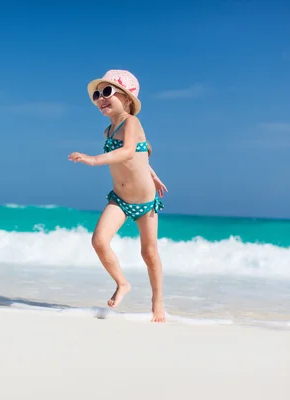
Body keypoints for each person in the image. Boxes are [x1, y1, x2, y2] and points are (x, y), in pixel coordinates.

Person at [68, 69, 168, 322]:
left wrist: (94, 160)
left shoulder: (132, 122)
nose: (101, 98)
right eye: (98, 94)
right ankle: (122, 283)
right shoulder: (107, 131)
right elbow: (140, 154)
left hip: (145, 202)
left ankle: (158, 303)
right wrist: (152, 173)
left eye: (108, 92)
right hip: (120, 199)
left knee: (149, 253)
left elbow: (128, 152)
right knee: (99, 241)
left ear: (126, 98)